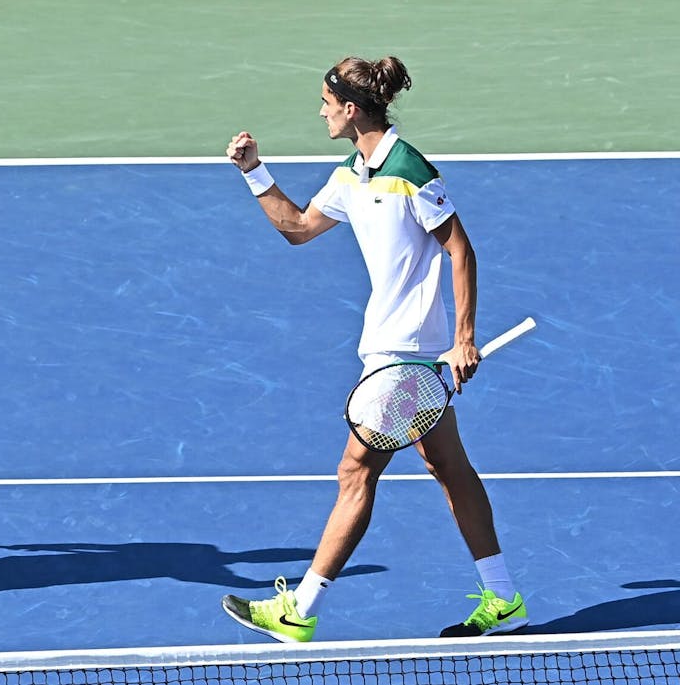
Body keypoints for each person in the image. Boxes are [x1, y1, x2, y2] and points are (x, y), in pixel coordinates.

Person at [220, 55, 527, 641]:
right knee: (450, 469)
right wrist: (254, 171)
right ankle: (505, 597)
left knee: (354, 472)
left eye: (326, 103)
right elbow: (299, 228)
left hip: (406, 353)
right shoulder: (351, 173)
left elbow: (460, 248)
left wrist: (463, 339)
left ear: (352, 108)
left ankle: (298, 610)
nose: (321, 111)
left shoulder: (410, 170)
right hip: (393, 348)